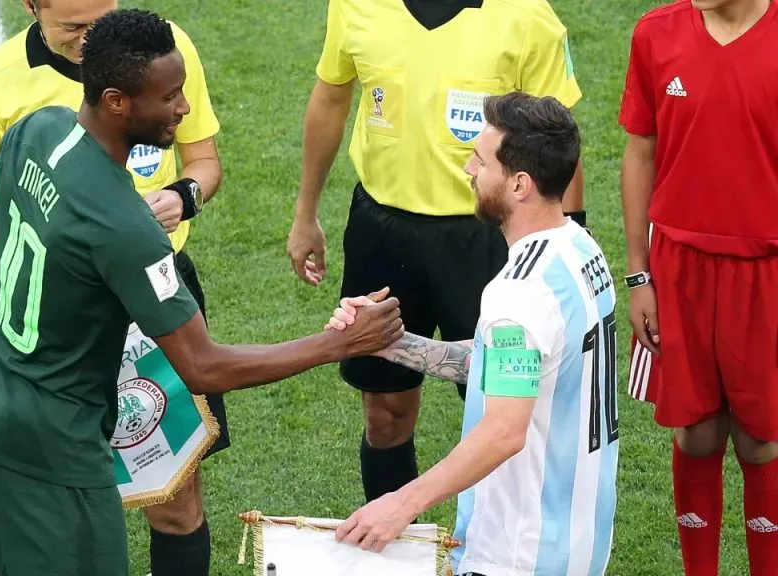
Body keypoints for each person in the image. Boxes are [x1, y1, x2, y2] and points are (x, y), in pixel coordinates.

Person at [0, 9, 405, 576]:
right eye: (169, 96)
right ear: (116, 101)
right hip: (56, 449)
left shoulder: (38, 128)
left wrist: (62, 290)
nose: (183, 108)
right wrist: (340, 343)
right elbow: (204, 368)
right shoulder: (128, 229)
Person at [0, 1, 224, 572]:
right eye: (74, 26)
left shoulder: (159, 50)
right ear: (31, 7)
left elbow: (204, 160)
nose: (90, 37)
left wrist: (183, 195)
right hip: (68, 350)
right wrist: (60, 289)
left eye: (102, 16)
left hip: (158, 296)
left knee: (173, 496)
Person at [287, 0, 587, 507]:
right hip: (383, 231)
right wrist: (305, 210)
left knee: (508, 418)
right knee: (385, 415)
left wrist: (570, 247)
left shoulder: (527, 14)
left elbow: (561, 141)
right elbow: (332, 97)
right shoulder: (354, 5)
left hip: (489, 239)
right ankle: (392, 550)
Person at [325, 92, 618, 576]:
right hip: (578, 540)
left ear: (519, 183)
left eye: (480, 160)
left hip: (516, 554)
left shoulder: (518, 295)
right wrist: (390, 343)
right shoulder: (580, 250)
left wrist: (400, 503)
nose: (467, 169)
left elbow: (503, 431)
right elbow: (509, 366)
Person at [618, 0, 778, 573]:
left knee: (763, 439)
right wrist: (639, 274)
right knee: (696, 431)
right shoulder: (657, 33)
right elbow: (640, 152)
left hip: (766, 274)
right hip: (679, 270)